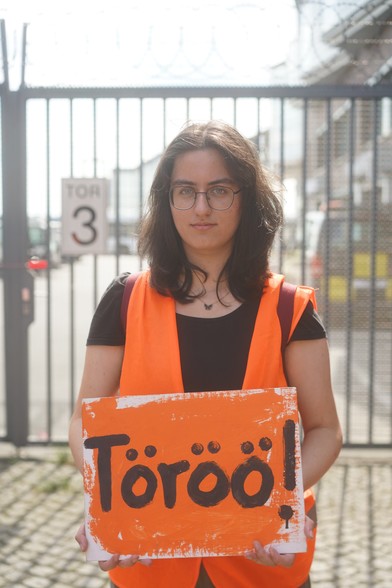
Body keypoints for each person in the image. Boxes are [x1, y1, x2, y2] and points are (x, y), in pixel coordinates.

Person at [69, 120, 342, 588]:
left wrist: (282, 500)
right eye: (185, 191)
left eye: (219, 190)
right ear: (166, 200)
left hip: (261, 560)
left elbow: (324, 430)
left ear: (247, 198)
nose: (201, 207)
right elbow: (85, 420)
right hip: (151, 563)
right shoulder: (125, 300)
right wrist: (109, 499)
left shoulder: (290, 308)